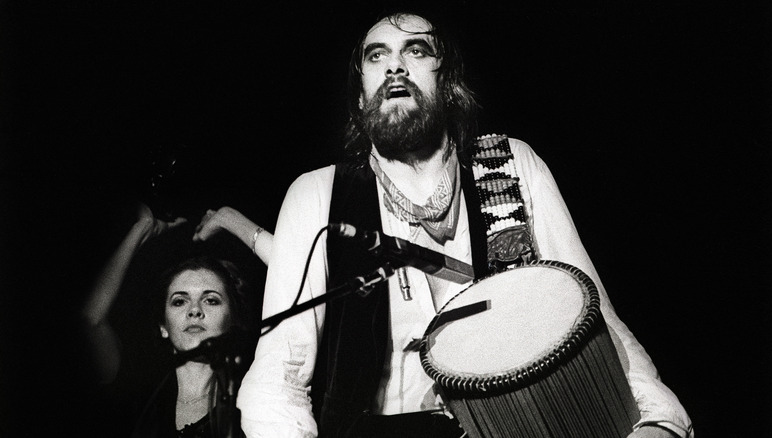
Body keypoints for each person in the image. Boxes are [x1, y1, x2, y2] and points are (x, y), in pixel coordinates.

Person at [236, 11, 694, 438]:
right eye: (376, 56)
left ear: (447, 83)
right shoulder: (316, 194)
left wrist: (660, 418)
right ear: (360, 97)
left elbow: (592, 315)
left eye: (416, 51)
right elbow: (279, 374)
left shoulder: (511, 163)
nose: (395, 66)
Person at [80, 203, 273, 437]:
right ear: (163, 327)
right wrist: (141, 230)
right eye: (179, 301)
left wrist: (229, 219)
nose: (195, 311)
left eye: (211, 300)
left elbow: (310, 280)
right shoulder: (139, 396)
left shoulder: (254, 396)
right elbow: (91, 320)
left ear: (233, 318)